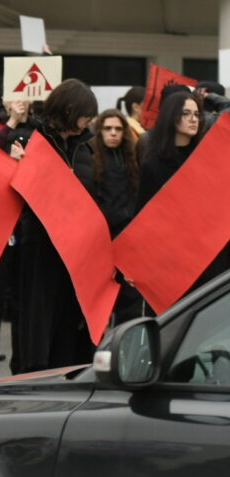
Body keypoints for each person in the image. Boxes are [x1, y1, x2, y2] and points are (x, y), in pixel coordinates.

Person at [13, 79, 99, 373]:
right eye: (86, 114)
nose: (89, 121)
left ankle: (69, 373)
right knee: (39, 322)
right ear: (69, 109)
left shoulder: (87, 147)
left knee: (70, 321)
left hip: (76, 252)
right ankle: (34, 375)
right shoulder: (30, 140)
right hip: (40, 245)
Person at [137, 90, 227, 292]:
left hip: (210, 253)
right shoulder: (154, 165)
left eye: (196, 114)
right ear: (171, 117)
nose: (193, 119)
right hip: (174, 258)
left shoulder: (205, 159)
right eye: (186, 114)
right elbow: (144, 217)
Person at [88, 109, 142, 324]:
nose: (113, 133)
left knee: (129, 302)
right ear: (100, 131)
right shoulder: (91, 159)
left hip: (127, 238)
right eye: (108, 128)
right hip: (100, 239)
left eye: (118, 129)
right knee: (99, 303)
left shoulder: (132, 160)